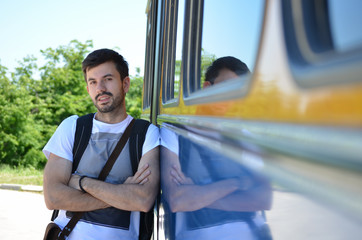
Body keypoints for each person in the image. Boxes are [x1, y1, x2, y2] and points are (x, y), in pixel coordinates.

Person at [42, 49, 160, 240]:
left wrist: (81, 182)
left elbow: (143, 199)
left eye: (108, 79)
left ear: (126, 83)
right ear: (88, 88)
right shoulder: (72, 127)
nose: (100, 88)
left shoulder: (146, 133)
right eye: (93, 82)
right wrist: (122, 196)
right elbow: (53, 197)